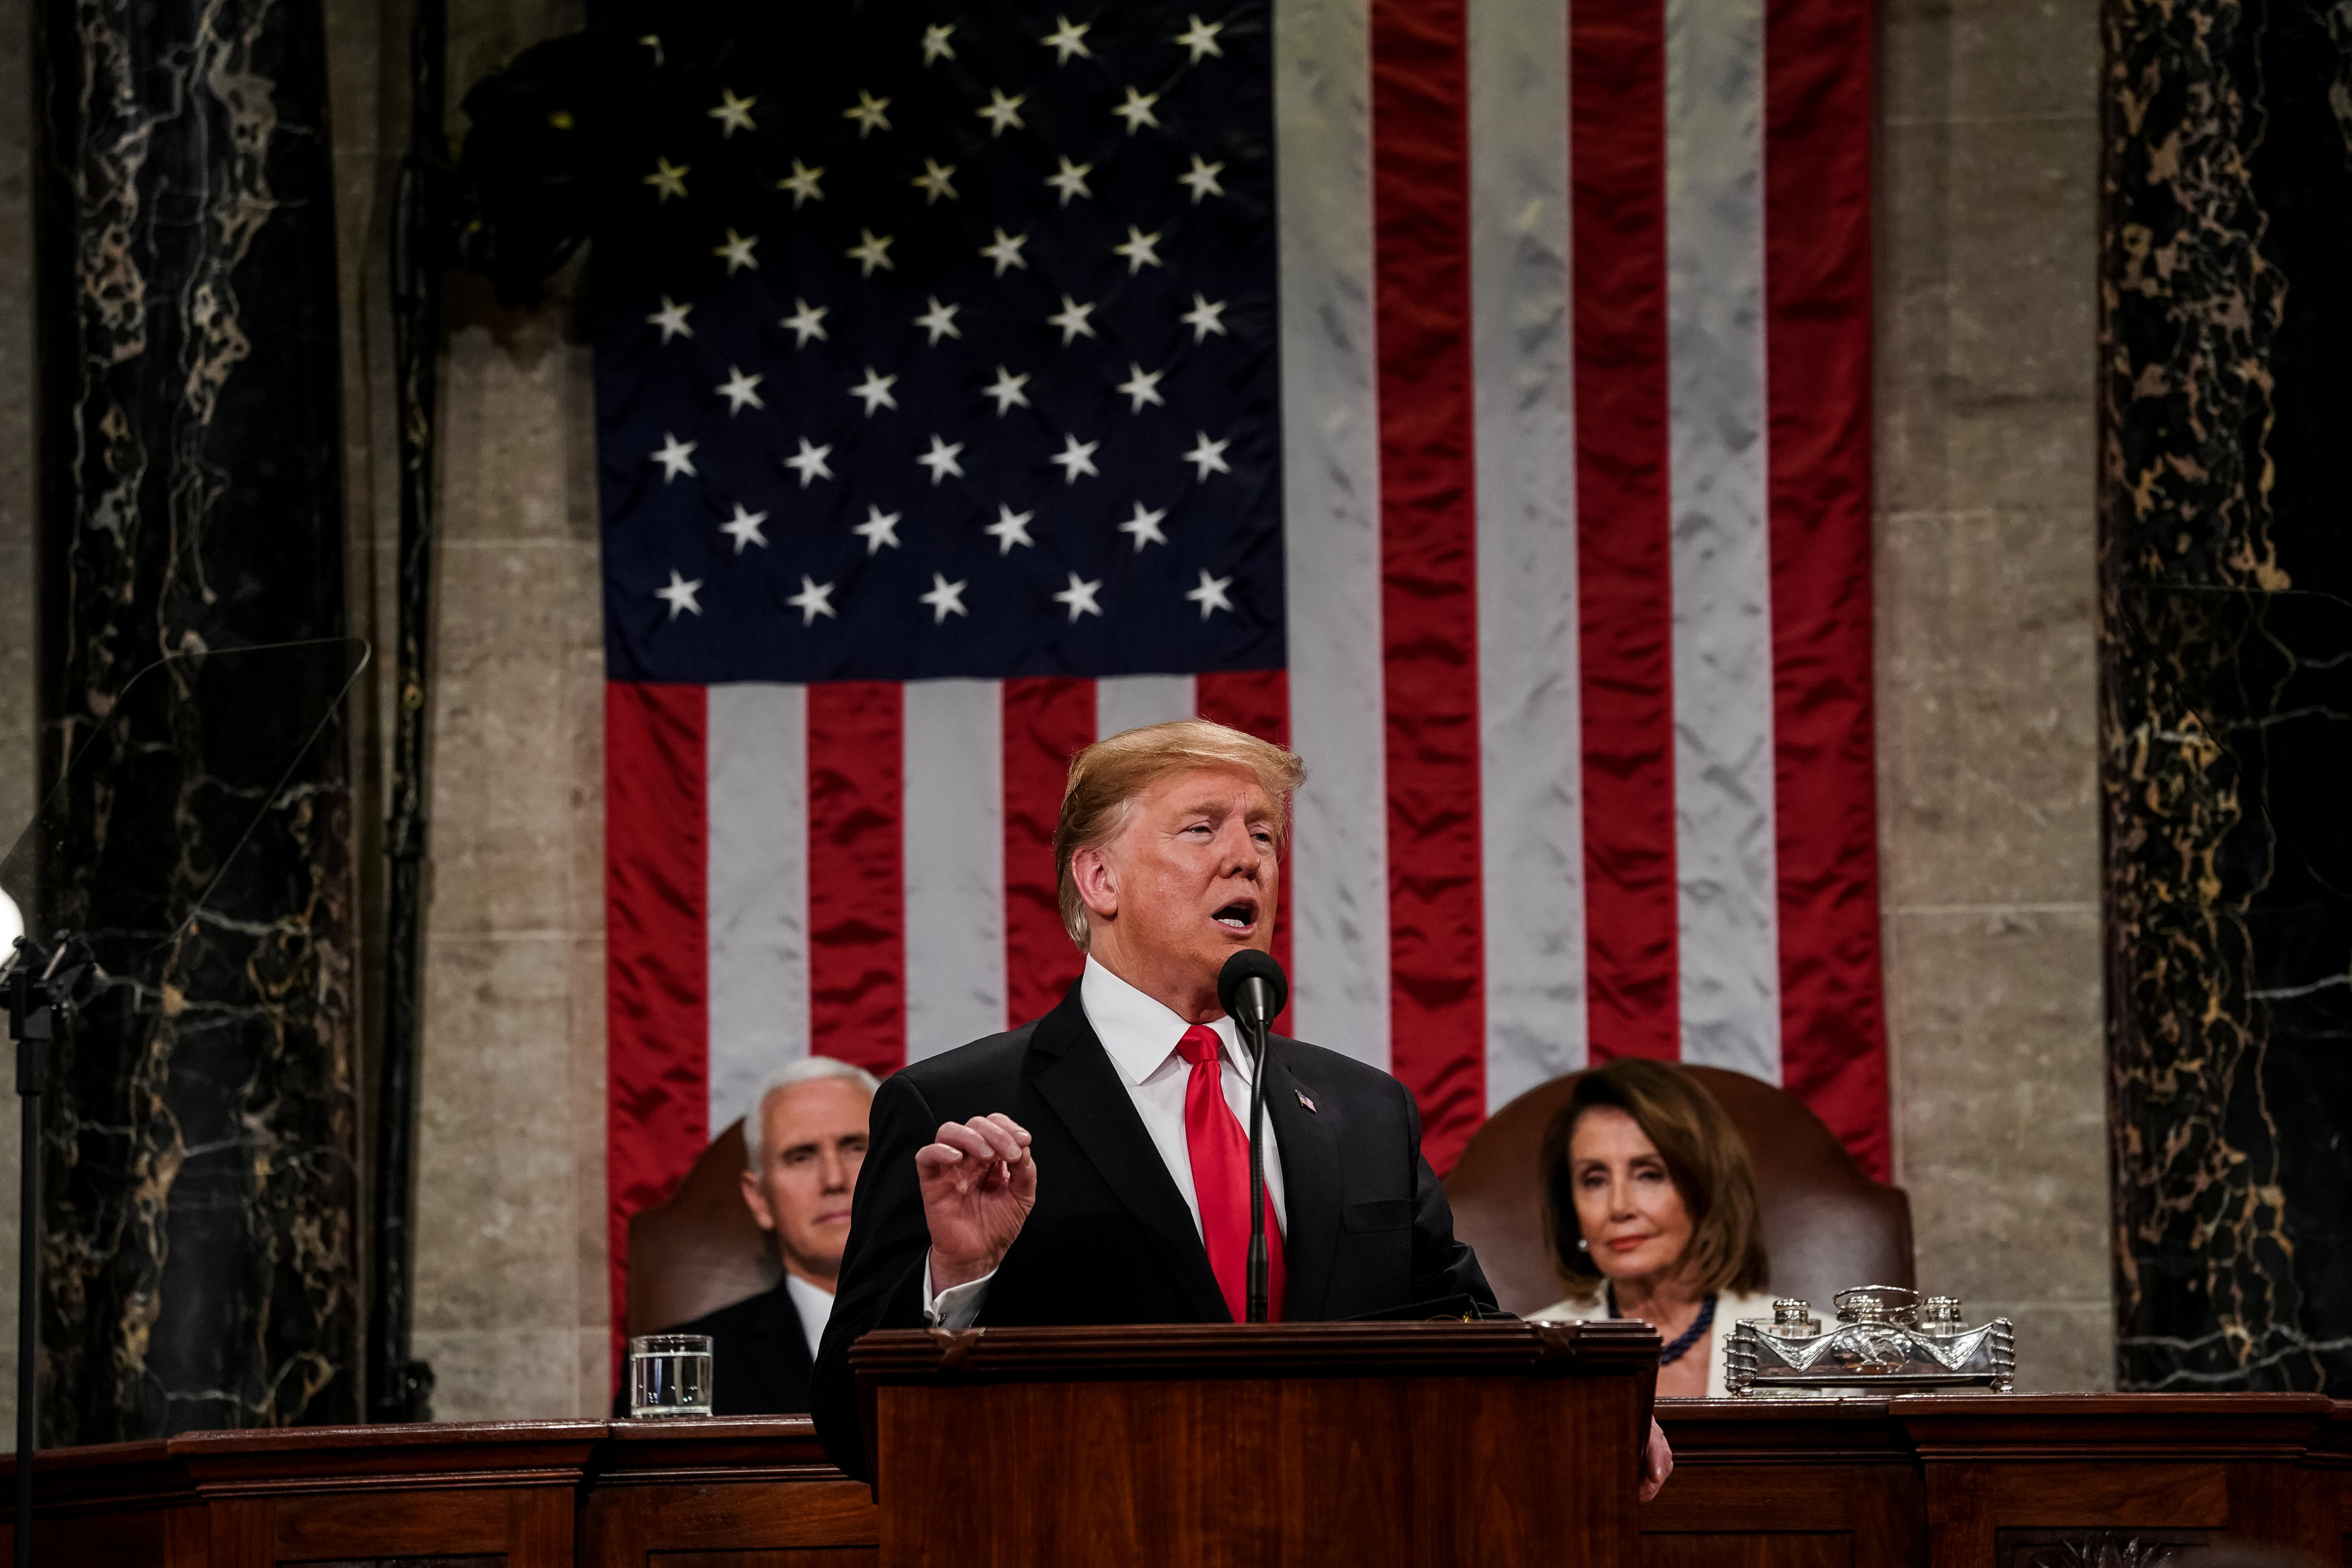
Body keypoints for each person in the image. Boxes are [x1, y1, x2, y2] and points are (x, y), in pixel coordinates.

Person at [811, 722, 1650, 1484]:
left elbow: (1462, 1326)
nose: (1247, 857)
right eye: (1201, 827)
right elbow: (854, 1431)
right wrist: (958, 1279)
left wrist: (1592, 1418)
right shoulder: (956, 1107)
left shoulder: (1364, 1111)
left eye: (1262, 834)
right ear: (1098, 878)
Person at [635, 1055, 876, 1415]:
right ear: (759, 1198)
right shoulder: (678, 1368)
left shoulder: (972, 1325)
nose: (834, 1179)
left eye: (856, 1147)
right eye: (801, 1156)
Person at [1529, 1059, 1776, 1399]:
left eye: (1649, 1174)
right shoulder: (1529, 1359)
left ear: (1704, 1188)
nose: (1619, 1207)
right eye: (1595, 1180)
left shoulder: (1815, 1351)